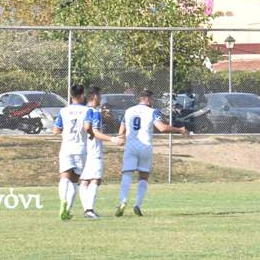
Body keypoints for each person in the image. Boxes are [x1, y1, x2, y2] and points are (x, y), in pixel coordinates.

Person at [116, 89, 188, 217]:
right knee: (143, 177)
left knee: (127, 174)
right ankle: (137, 204)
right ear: (148, 99)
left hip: (131, 146)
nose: (153, 101)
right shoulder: (152, 112)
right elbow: (162, 128)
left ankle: (123, 201)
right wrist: (180, 129)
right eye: (152, 99)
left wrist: (121, 138)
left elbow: (121, 132)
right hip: (145, 147)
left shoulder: (128, 111)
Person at [79, 86, 124, 218]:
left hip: (82, 149)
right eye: (100, 95)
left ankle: (87, 209)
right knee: (95, 180)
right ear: (95, 96)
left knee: (84, 181)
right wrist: (113, 139)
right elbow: (95, 132)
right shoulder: (94, 112)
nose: (101, 98)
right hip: (93, 150)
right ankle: (89, 210)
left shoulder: (82, 110)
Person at [53, 85, 92, 220]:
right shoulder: (87, 110)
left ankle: (62, 202)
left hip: (66, 147)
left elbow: (55, 130)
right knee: (75, 181)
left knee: (64, 177)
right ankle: (68, 209)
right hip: (80, 148)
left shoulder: (63, 111)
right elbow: (87, 128)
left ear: (71, 96)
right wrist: (91, 134)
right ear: (81, 95)